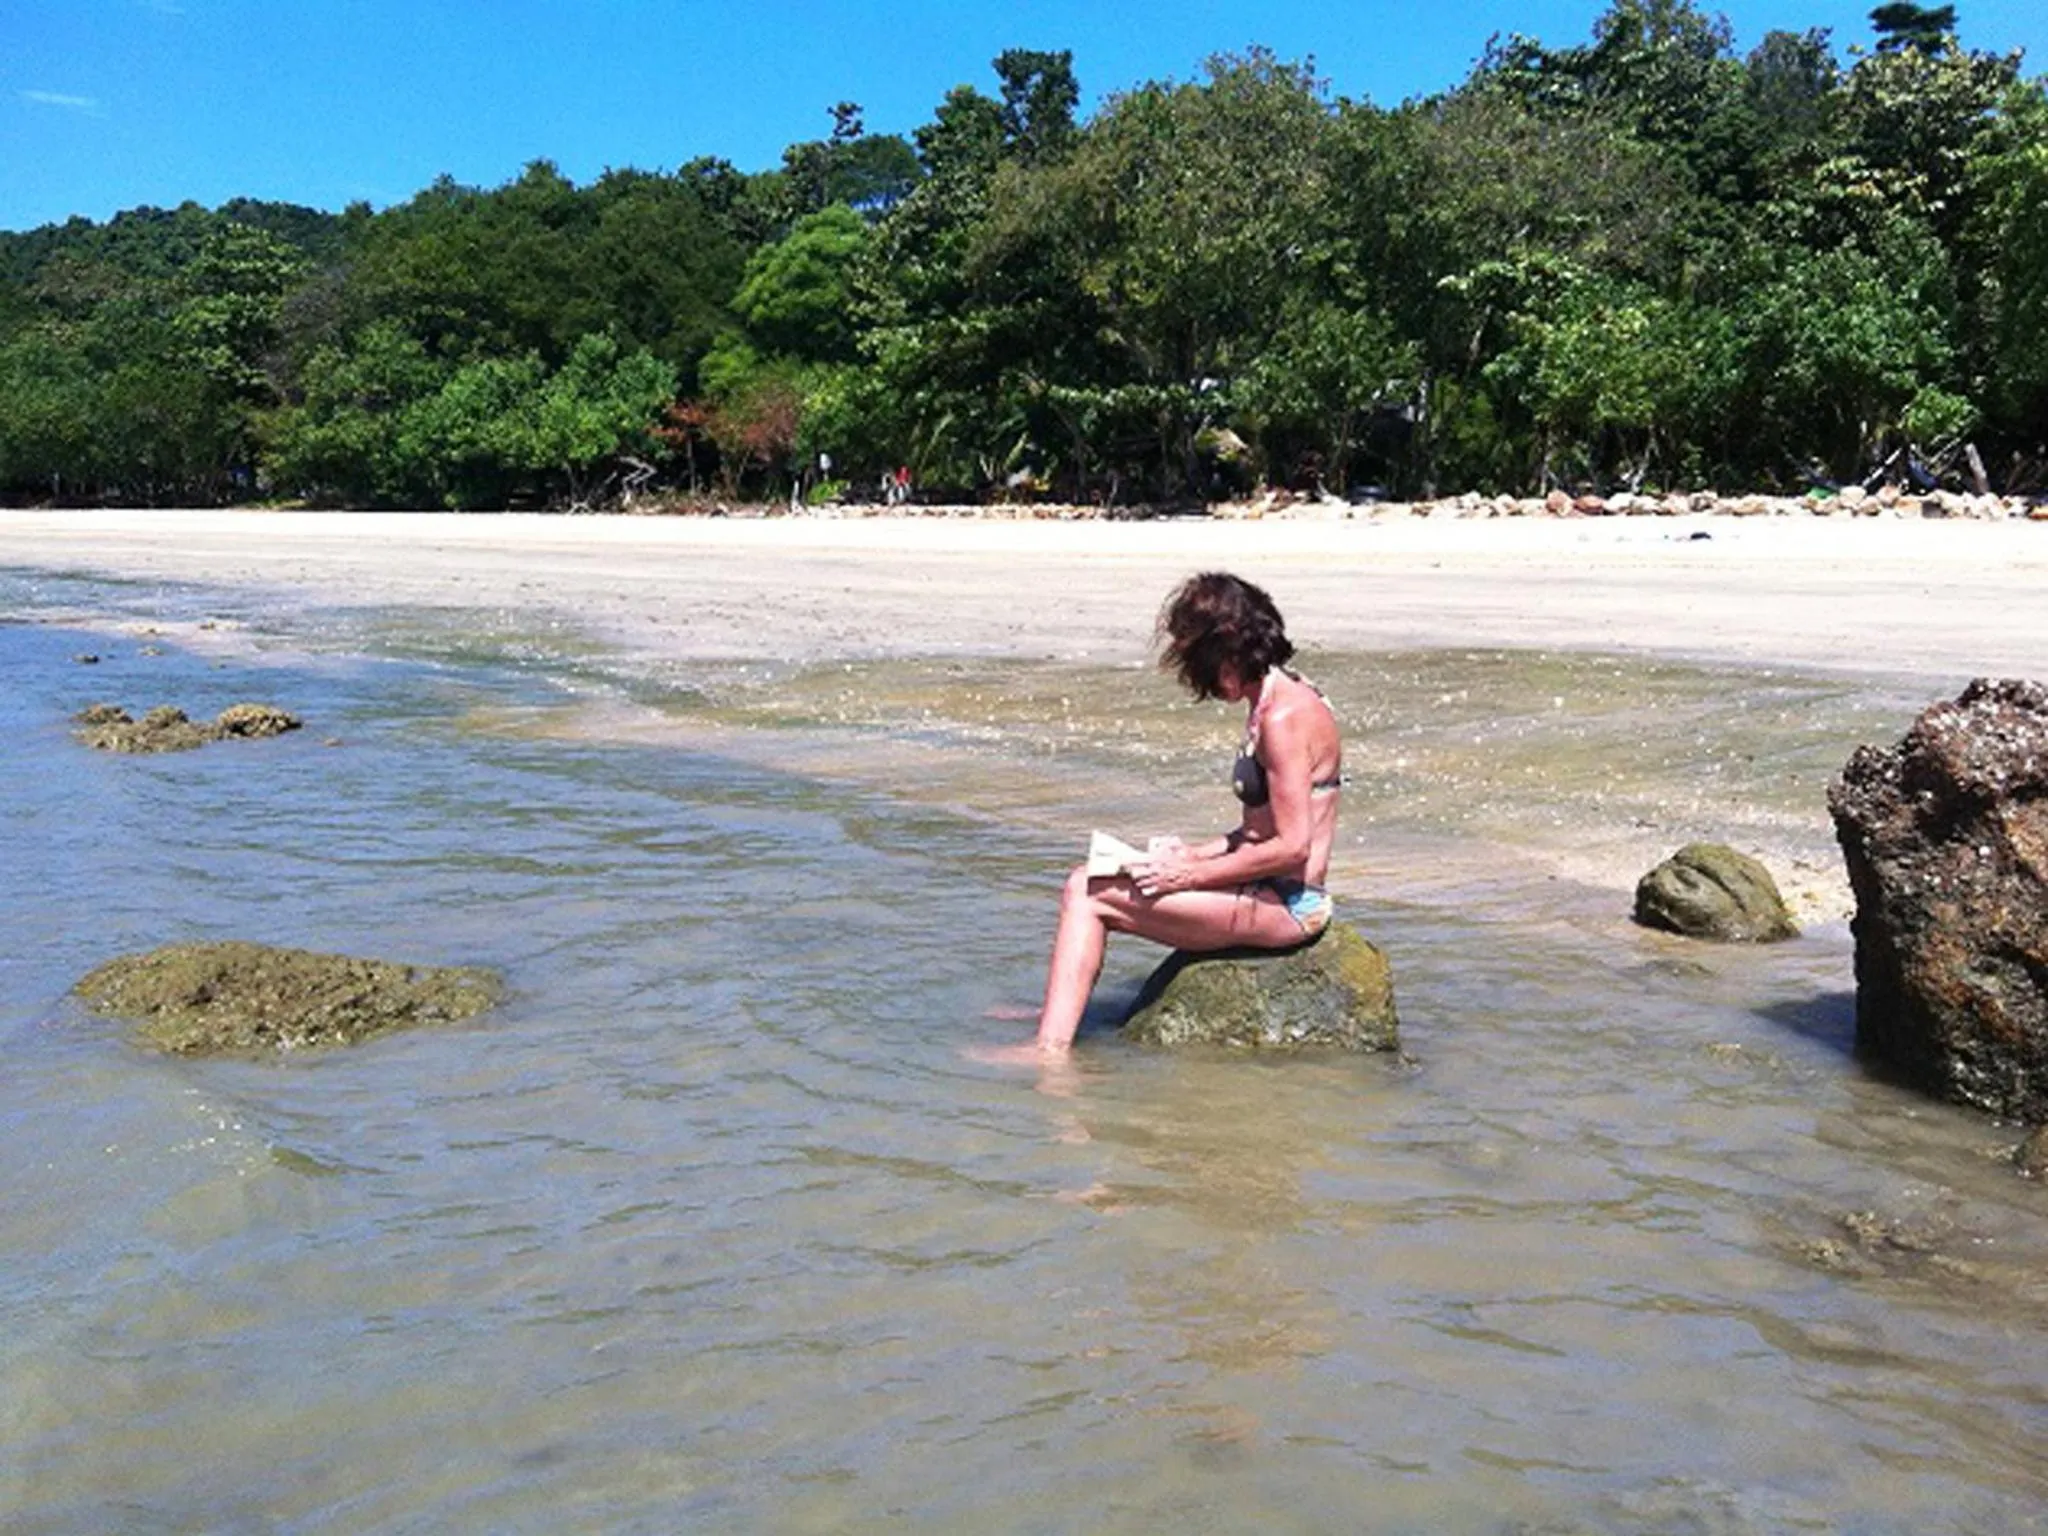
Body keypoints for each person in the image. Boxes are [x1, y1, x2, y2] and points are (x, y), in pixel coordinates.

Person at [996, 571, 1344, 1060]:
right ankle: (1058, 1012)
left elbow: (1292, 845)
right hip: (1268, 888)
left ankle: (1050, 1050)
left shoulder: (1283, 720)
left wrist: (1189, 874)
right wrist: (1193, 852)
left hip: (1289, 906)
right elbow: (1258, 831)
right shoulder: (1276, 693)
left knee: (1086, 891)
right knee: (1096, 878)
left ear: (1222, 652)